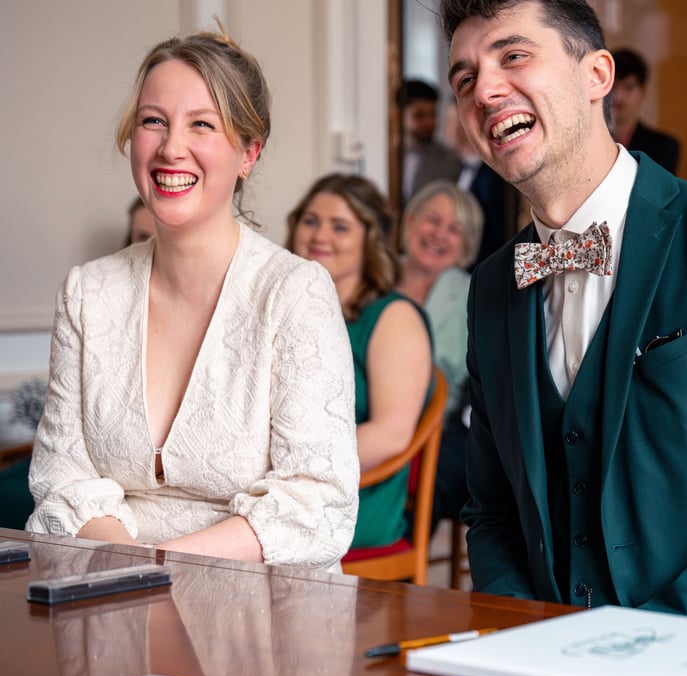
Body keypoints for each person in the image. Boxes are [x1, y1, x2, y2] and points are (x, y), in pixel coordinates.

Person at [441, 0, 687, 623]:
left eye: (514, 56)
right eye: (465, 79)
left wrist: (637, 646)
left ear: (597, 75)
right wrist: (527, 640)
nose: (484, 90)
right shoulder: (491, 287)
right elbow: (491, 511)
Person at [26, 23, 359, 570]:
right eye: (153, 121)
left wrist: (155, 567)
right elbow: (62, 478)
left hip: (262, 605)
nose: (170, 148)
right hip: (112, 594)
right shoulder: (88, 293)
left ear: (249, 152)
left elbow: (315, 502)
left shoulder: (295, 293)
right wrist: (131, 579)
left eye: (201, 124)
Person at [287, 173, 432, 549]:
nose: (320, 236)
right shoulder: (287, 310)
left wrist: (289, 469)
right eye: (311, 221)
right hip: (281, 489)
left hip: (350, 499)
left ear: (370, 239)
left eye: (340, 227)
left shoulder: (393, 318)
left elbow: (390, 435)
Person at [396, 180, 483, 532]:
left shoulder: (474, 295)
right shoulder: (375, 277)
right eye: (432, 220)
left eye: (454, 229)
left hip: (441, 429)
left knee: (426, 478)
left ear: (466, 243)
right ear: (410, 221)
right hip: (363, 418)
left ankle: (396, 558)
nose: (439, 234)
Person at [443, 99, 521, 271]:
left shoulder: (494, 177)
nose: (445, 130)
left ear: (465, 127)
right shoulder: (457, 170)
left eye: (450, 121)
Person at [611, 47, 680, 174]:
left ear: (643, 92)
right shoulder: (587, 143)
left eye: (628, 88)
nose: (618, 97)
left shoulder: (663, 148)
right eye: (613, 87)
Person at [397, 79, 462, 202]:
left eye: (432, 114)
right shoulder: (387, 157)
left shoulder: (450, 161)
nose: (429, 123)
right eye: (419, 115)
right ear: (400, 115)